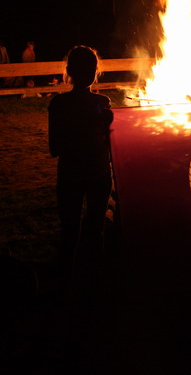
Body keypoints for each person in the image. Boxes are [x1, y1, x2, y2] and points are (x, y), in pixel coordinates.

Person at [48, 45, 114, 274]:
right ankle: (96, 275)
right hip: (98, 171)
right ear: (96, 72)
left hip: (71, 172)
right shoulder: (102, 102)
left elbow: (54, 148)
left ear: (69, 71)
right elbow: (110, 145)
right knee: (96, 228)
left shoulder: (59, 104)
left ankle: (67, 275)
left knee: (70, 229)